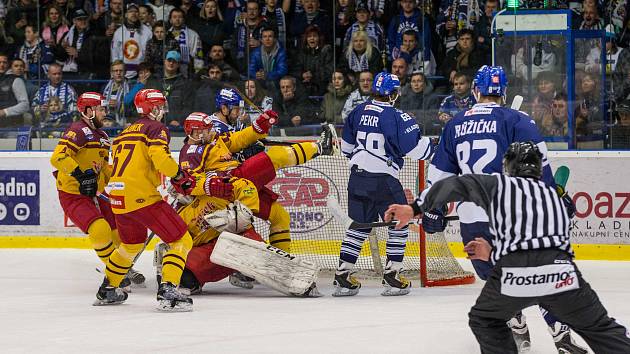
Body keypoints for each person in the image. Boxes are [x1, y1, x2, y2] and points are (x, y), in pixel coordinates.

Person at [386, 141, 630, 354]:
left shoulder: (500, 185)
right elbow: (539, 242)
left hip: (515, 275)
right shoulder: (554, 196)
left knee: (485, 319)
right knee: (602, 329)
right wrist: (494, 251)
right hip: (561, 274)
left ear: (508, 166)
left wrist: (416, 207)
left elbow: (456, 185)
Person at [418, 65, 587, 353]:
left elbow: (439, 179)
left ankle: (515, 321)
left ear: (475, 92)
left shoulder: (455, 124)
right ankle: (559, 332)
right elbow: (541, 172)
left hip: (473, 221)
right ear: (504, 93)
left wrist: (432, 210)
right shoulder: (519, 120)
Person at [175, 110, 334, 292]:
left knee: (279, 216)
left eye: (209, 128)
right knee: (273, 158)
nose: (209, 133)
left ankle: (284, 264)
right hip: (224, 191)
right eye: (203, 130)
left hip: (232, 190)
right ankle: (320, 147)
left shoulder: (215, 140)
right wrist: (211, 184)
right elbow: (188, 184)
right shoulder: (191, 152)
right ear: (192, 132)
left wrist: (259, 126)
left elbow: (240, 138)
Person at [95, 88, 198, 311]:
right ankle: (168, 290)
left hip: (118, 197)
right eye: (159, 105)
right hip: (141, 196)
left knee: (130, 245)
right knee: (181, 239)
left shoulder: (125, 132)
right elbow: (161, 159)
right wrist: (180, 176)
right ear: (150, 107)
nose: (162, 110)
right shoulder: (156, 128)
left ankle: (108, 288)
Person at [334, 72, 434, 297]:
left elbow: (346, 149)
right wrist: (436, 147)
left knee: (359, 227)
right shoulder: (396, 116)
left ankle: (342, 277)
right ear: (394, 94)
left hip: (357, 179)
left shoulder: (357, 111)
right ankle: (393, 276)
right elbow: (416, 149)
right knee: (399, 223)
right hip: (383, 181)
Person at [49, 92, 145, 287]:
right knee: (99, 229)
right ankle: (114, 270)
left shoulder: (102, 136)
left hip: (97, 192)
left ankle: (122, 265)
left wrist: (126, 181)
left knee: (120, 230)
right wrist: (81, 175)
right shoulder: (78, 131)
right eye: (101, 109)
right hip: (73, 194)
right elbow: (57, 158)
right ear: (88, 111)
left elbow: (104, 168)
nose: (105, 113)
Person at [110, 3, 152, 79]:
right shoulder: (118, 32)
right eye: (130, 11)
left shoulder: (147, 31)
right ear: (126, 14)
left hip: (141, 73)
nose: (133, 13)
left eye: (136, 11)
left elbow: (149, 54)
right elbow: (114, 55)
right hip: (122, 73)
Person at [0, 53, 30, 127]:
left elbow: (25, 105)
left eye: (4, 62)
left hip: (11, 126)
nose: (2, 65)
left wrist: (4, 112)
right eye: (0, 62)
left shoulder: (16, 80)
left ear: (8, 65)